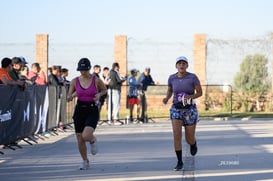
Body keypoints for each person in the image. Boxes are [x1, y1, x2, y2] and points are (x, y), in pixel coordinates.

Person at [162, 56, 202, 171]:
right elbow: (170, 90)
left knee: (189, 138)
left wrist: (190, 96)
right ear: (176, 66)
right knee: (177, 135)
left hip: (190, 110)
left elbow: (200, 92)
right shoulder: (171, 78)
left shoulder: (192, 77)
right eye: (179, 63)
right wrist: (166, 98)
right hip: (176, 109)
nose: (181, 65)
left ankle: (193, 143)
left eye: (184, 63)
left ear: (187, 65)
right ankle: (179, 161)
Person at [67, 58, 107, 170]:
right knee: (80, 138)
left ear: (89, 68)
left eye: (84, 69)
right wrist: (70, 97)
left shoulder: (96, 80)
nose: (82, 72)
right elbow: (69, 95)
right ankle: (85, 161)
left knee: (86, 135)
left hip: (92, 109)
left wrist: (99, 95)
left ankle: (93, 140)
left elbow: (104, 90)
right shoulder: (75, 81)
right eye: (80, 70)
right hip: (79, 109)